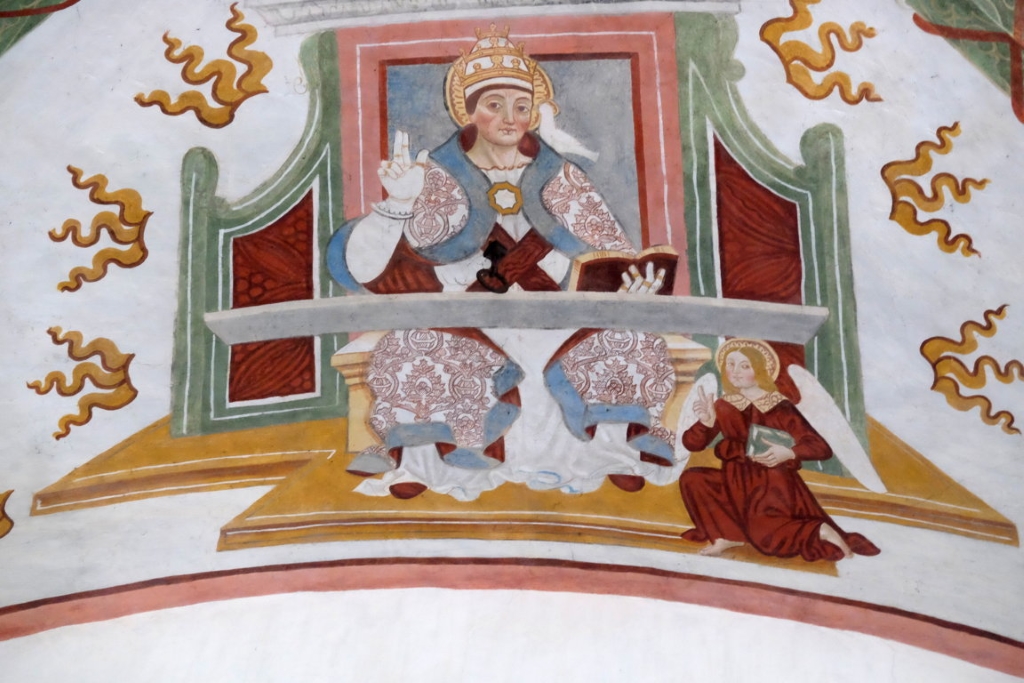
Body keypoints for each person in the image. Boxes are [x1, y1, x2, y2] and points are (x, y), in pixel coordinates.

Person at [326, 25, 679, 500]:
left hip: (556, 315)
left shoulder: (562, 176)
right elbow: (372, 270)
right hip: (468, 316)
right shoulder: (434, 176)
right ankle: (424, 463)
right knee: (417, 344)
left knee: (624, 336)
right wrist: (399, 202)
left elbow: (607, 252)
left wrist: (631, 283)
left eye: (521, 106)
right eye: (495, 104)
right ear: (468, 111)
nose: (511, 118)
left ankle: (612, 452)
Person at [679, 338, 879, 562]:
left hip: (771, 484)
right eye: (731, 364)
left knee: (768, 539)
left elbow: (820, 447)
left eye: (745, 366)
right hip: (735, 480)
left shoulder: (778, 405)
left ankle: (819, 530)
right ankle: (728, 535)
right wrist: (705, 423)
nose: (735, 371)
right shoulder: (724, 404)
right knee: (694, 479)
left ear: (759, 370)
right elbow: (692, 444)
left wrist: (790, 452)